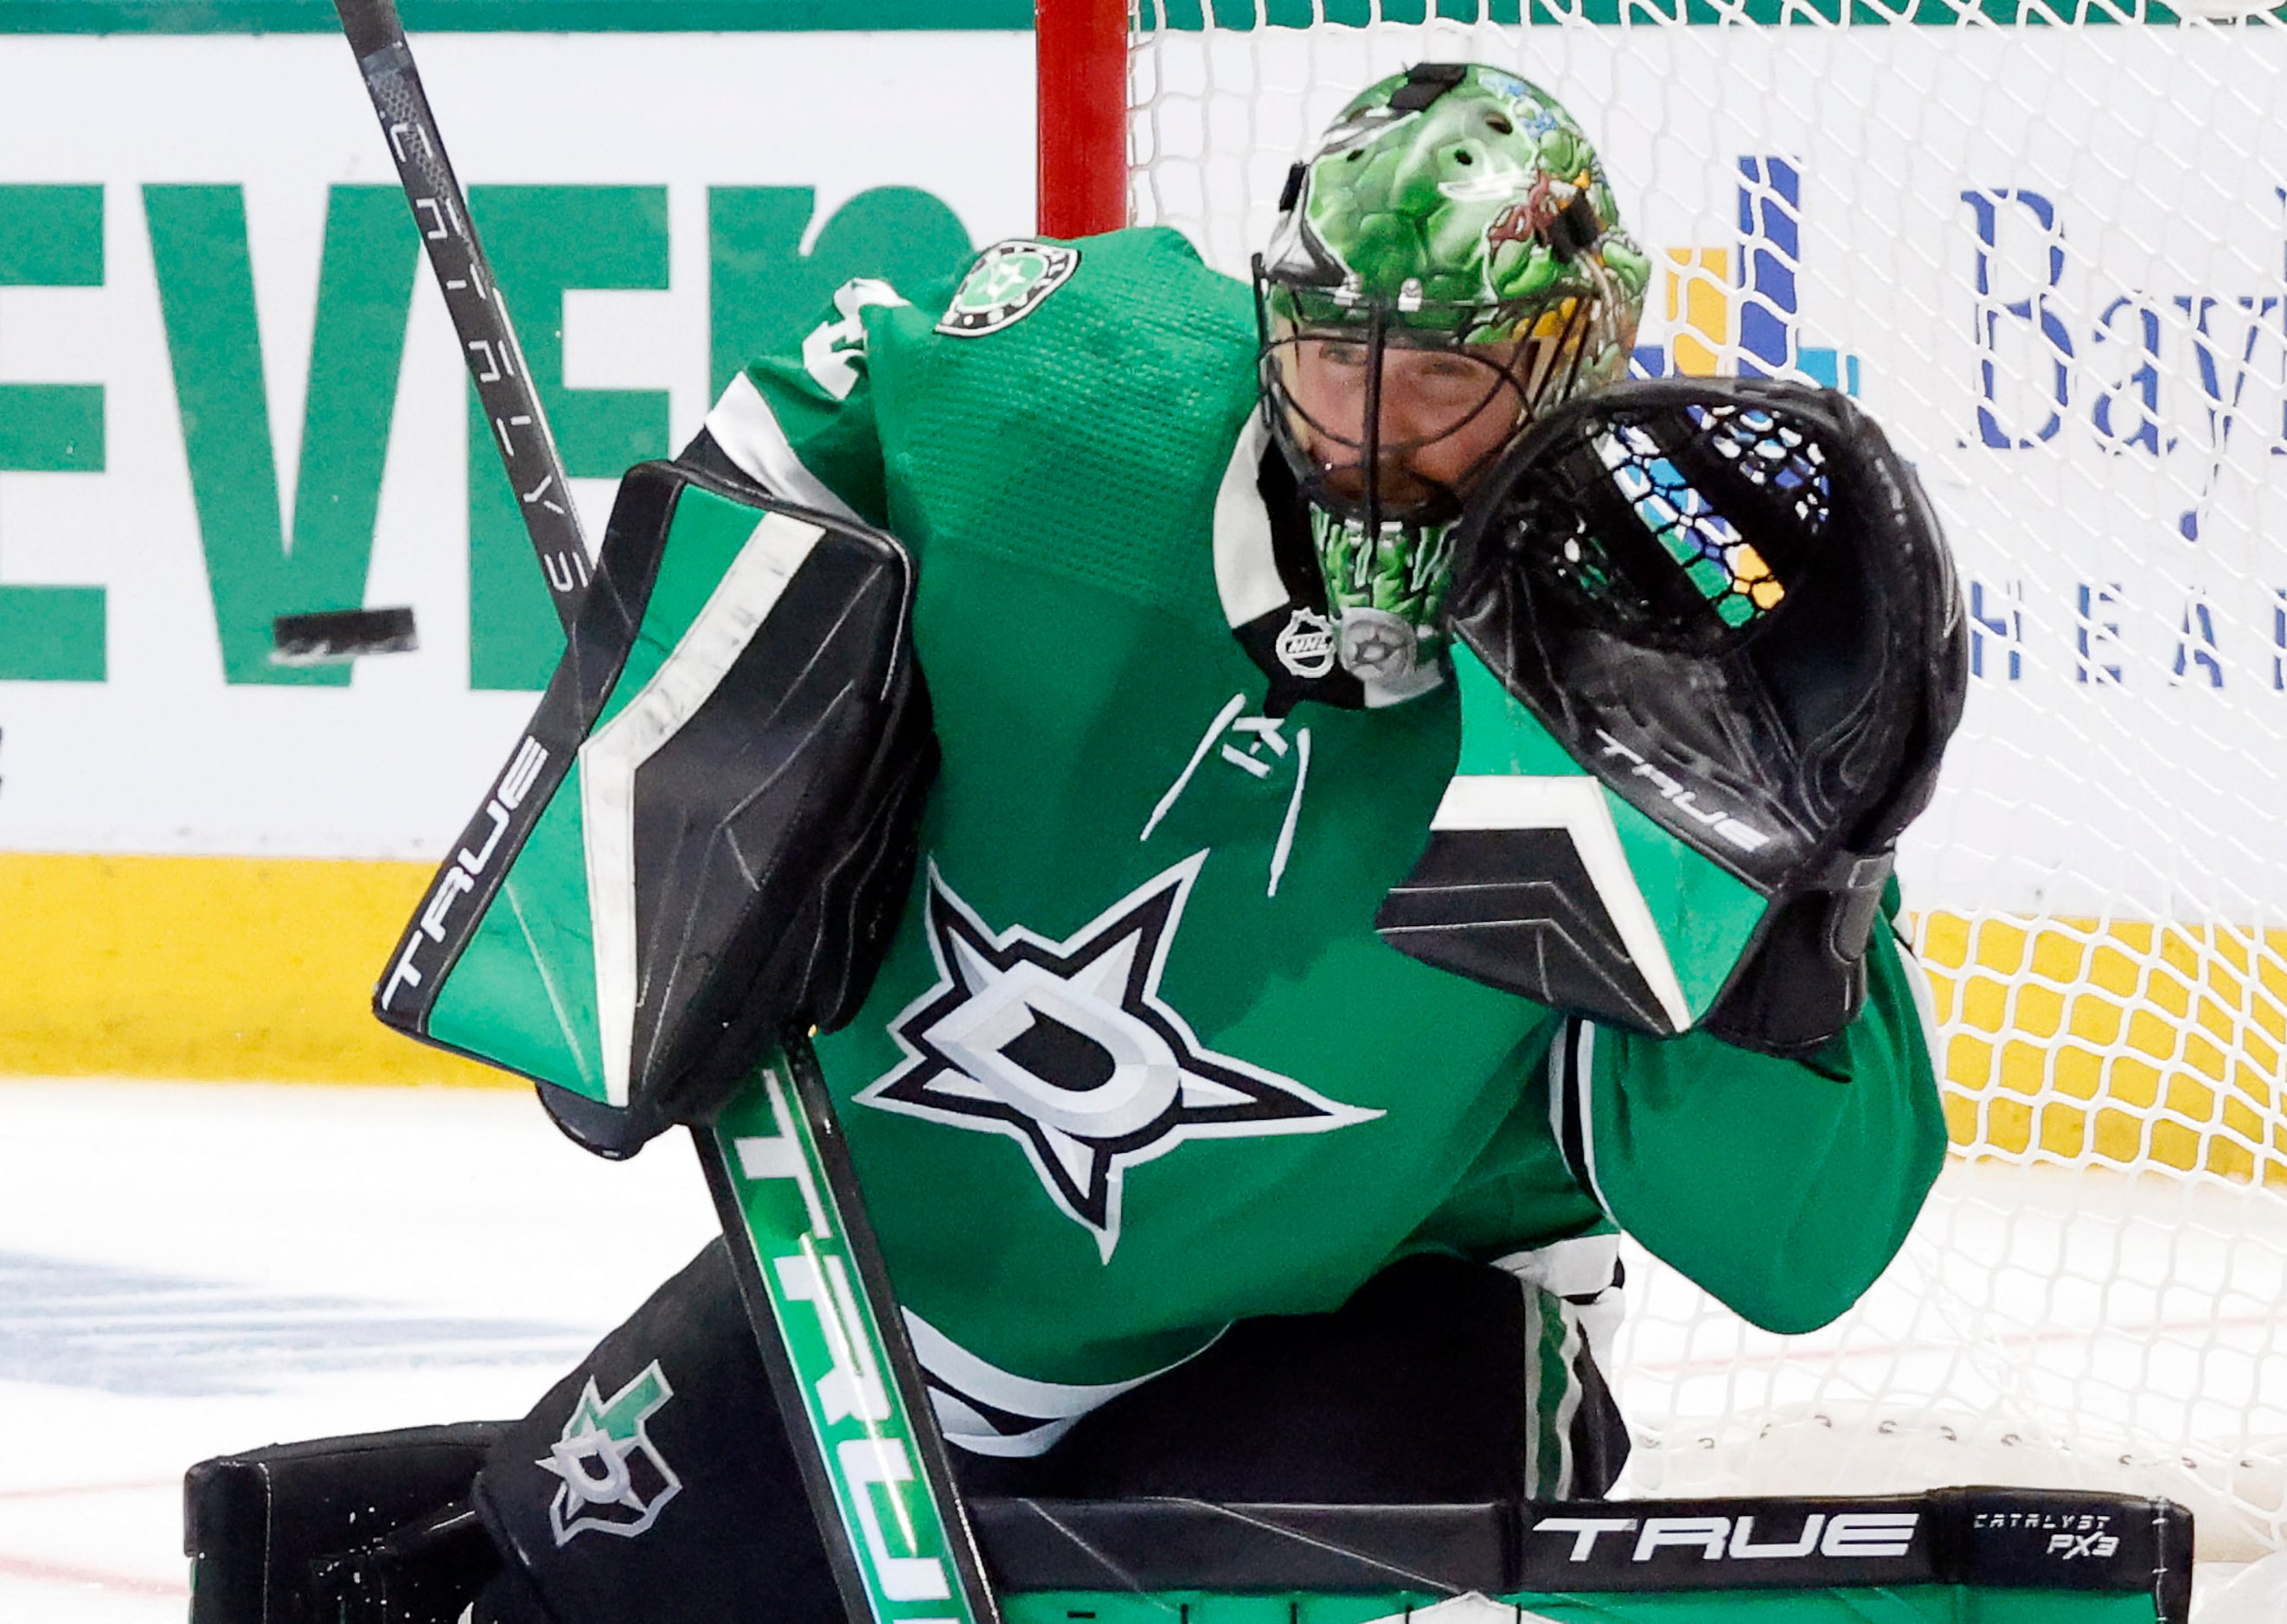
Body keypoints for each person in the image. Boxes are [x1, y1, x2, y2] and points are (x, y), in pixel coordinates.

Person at [202, 63, 1954, 1624]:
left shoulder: (1638, 658)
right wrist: (646, 870)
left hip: (1369, 1330)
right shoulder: (1074, 406)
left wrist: (1801, 918)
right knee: (528, 1594)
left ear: (1568, 360)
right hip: (916, 1294)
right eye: (1328, 359)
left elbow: (1795, 1253)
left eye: (1434, 381)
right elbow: (810, 428)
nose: (1361, 438)